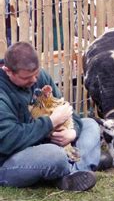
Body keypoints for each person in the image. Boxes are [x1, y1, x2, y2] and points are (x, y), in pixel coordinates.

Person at [0, 42, 100, 191]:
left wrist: (71, 133)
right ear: (7, 71)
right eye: (27, 77)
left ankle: (71, 174)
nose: (34, 80)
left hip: (44, 143)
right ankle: (80, 166)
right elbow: (8, 140)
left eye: (36, 74)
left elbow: (65, 110)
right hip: (9, 159)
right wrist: (51, 122)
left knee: (90, 124)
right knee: (54, 155)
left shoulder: (39, 77)